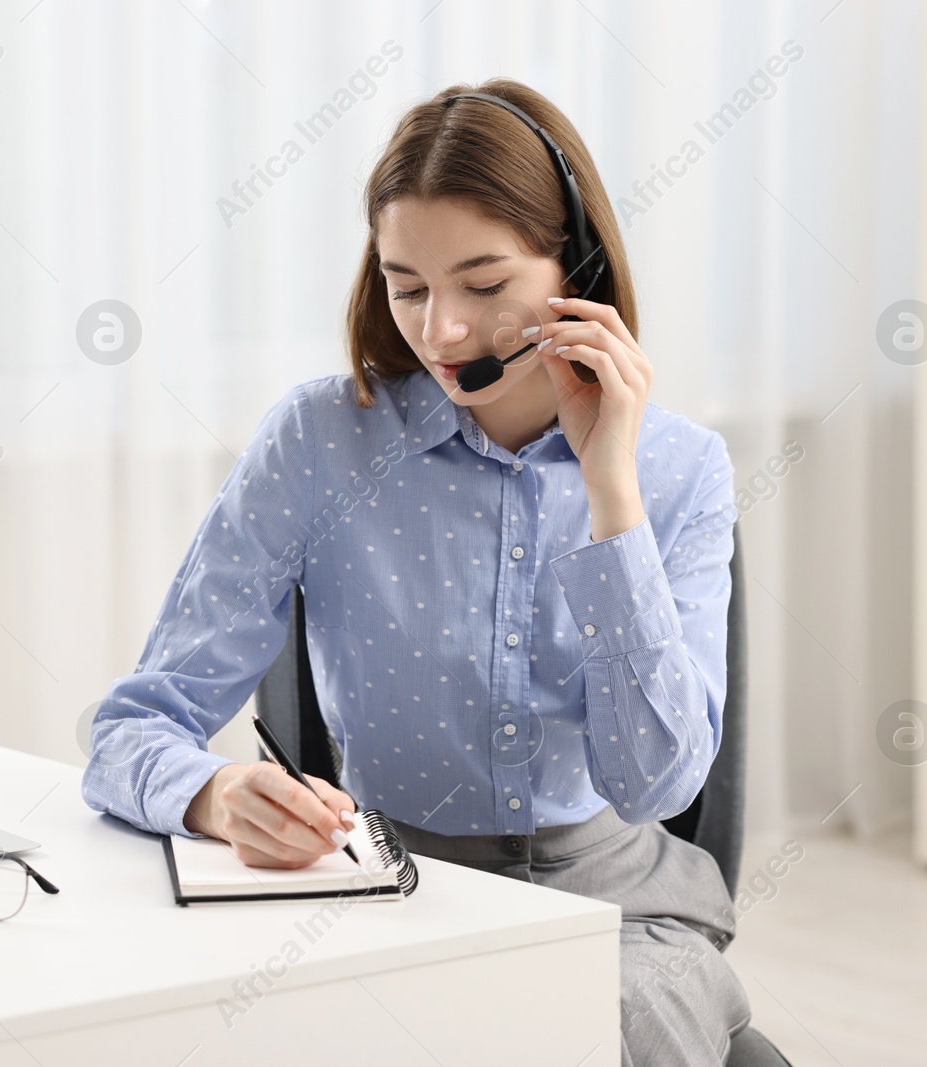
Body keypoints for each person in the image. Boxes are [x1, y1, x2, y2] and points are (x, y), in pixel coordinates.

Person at [83, 77, 751, 1065]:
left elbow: (655, 783)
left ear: (577, 265)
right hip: (384, 898)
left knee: (593, 1029)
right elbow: (130, 728)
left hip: (618, 917)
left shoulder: (681, 469)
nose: (439, 330)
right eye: (407, 286)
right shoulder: (318, 441)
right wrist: (215, 795)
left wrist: (611, 490)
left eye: (484, 286)